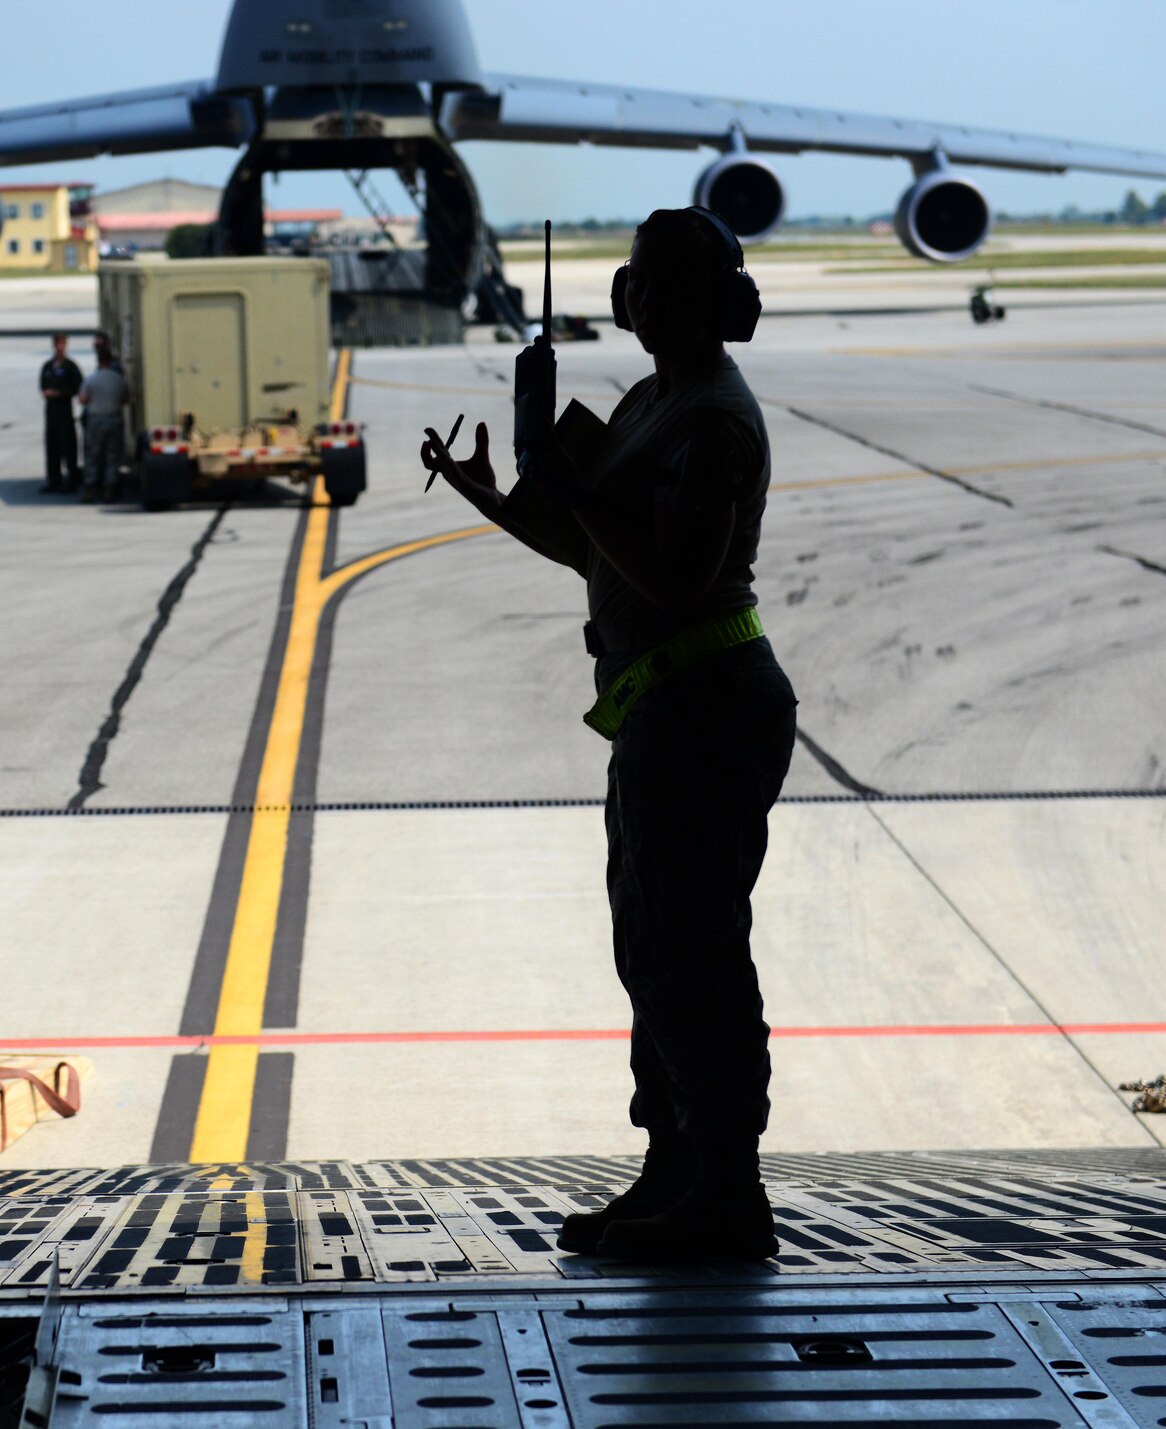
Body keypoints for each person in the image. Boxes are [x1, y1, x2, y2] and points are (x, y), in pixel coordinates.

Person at [420, 207, 797, 1264]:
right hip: (661, 709)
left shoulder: (710, 419)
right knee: (651, 949)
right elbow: (597, 551)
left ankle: (727, 1189)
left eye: (645, 281)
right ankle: (672, 1169)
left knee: (693, 951)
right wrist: (496, 489)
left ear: (673, 298)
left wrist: (568, 471)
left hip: (705, 708)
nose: (629, 296)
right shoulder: (654, 399)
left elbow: (674, 576)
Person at [77, 345, 129, 502]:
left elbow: (82, 399)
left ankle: (90, 487)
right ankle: (110, 488)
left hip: (96, 420)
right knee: (112, 454)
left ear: (99, 361)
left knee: (93, 454)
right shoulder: (118, 379)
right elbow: (125, 398)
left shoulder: (92, 379)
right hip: (114, 418)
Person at [39, 334, 83, 494]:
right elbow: (42, 386)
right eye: (58, 344)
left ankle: (71, 480)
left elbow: (78, 387)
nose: (60, 347)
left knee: (69, 447)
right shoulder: (47, 366)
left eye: (63, 344)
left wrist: (59, 393)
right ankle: (53, 480)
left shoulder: (70, 366)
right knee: (52, 447)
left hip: (65, 411)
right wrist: (47, 393)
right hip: (51, 413)